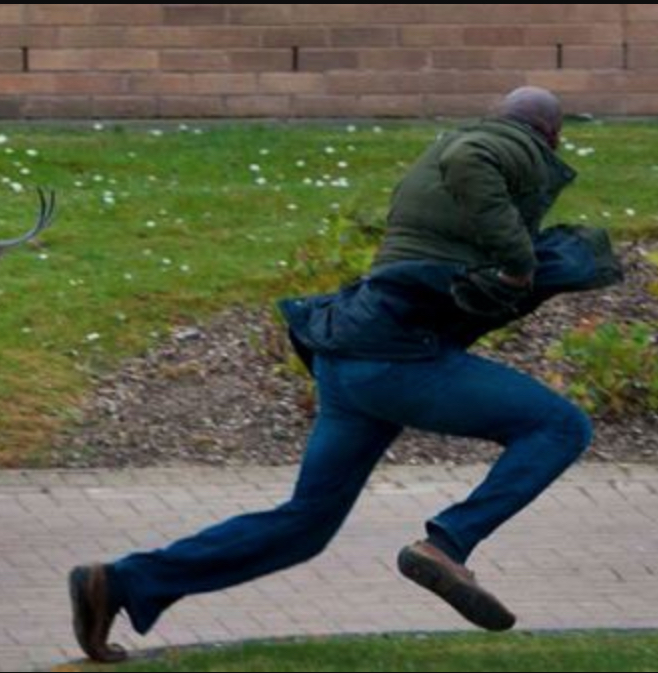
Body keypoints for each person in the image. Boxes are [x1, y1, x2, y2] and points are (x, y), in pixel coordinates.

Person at [68, 86, 623, 663]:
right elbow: (474, 162)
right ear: (551, 135)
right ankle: (449, 544)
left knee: (305, 525)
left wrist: (514, 264)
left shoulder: (441, 182)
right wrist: (518, 263)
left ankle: (121, 582)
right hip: (394, 359)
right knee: (559, 427)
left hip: (347, 358)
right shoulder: (494, 147)